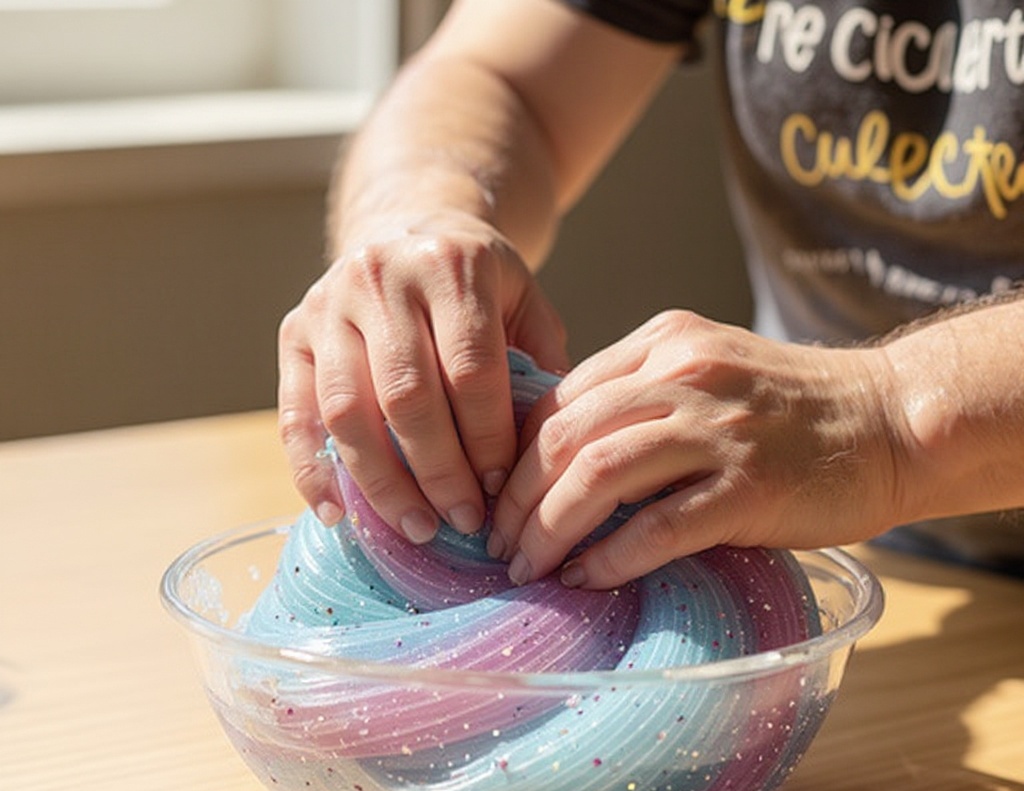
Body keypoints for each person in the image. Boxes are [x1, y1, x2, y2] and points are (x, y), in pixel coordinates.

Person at [277, 0, 1024, 590]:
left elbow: (879, 425)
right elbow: (499, 76)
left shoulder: (876, 430)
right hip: (868, 549)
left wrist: (886, 418)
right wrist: (422, 217)